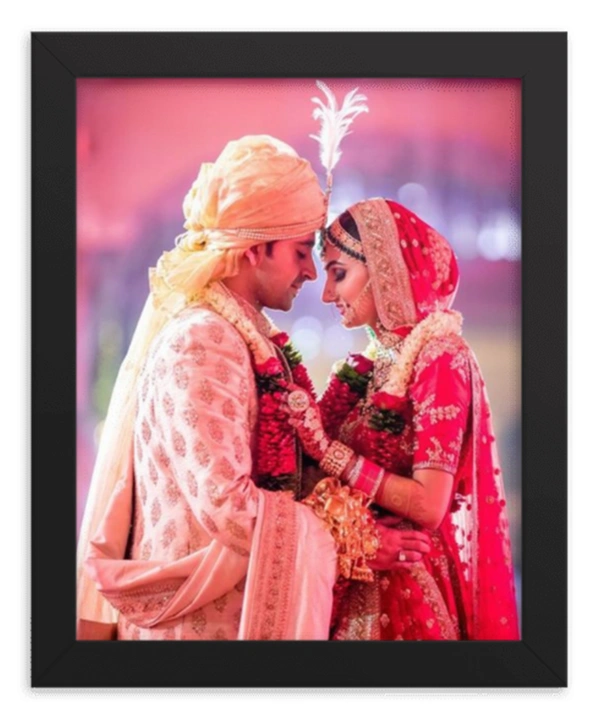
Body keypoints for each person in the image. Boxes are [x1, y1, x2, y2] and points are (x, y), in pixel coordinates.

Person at [76, 138, 430, 641]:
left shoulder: (245, 337)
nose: (311, 272)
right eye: (301, 251)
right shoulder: (202, 340)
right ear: (255, 250)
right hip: (195, 632)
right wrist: (357, 539)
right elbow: (229, 507)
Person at [285, 197, 519, 640]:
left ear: (385, 268)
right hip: (356, 571)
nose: (327, 294)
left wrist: (329, 452)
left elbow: (429, 505)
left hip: (408, 582)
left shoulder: (441, 357)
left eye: (339, 274)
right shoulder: (372, 364)